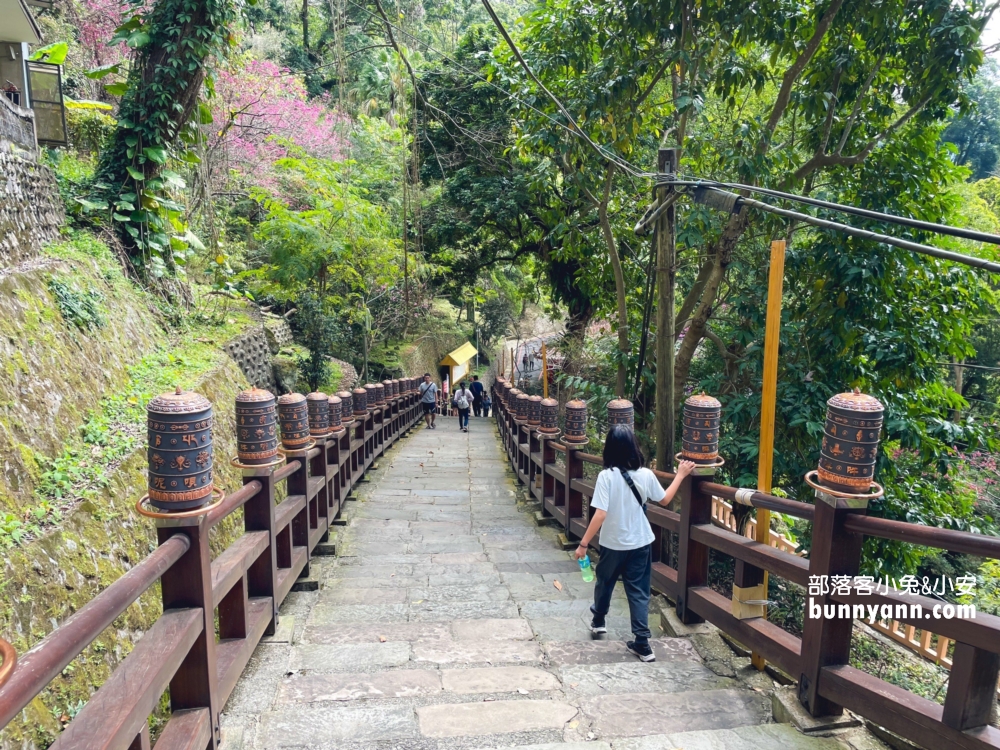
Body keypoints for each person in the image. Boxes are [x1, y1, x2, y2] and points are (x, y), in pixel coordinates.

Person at [574, 425, 695, 662]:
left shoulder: (606, 477)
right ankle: (642, 643)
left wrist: (584, 544)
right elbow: (665, 499)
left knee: (605, 582)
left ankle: (599, 621)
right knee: (639, 592)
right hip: (640, 543)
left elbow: (600, 514)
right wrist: (680, 475)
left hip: (613, 543)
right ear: (633, 446)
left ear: (609, 449)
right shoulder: (646, 474)